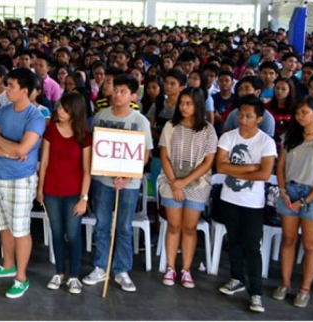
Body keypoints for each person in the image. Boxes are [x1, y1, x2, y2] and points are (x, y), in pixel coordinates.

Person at [82, 74, 152, 293]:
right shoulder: (101, 116)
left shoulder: (140, 121)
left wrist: (128, 176)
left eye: (123, 91)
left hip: (128, 185)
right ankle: (100, 266)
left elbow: (145, 153)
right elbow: (94, 146)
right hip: (103, 181)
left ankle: (121, 270)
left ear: (133, 96)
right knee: (102, 224)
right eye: (115, 90)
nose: (117, 95)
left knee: (123, 226)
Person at [0, 68, 46, 299]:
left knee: (20, 229)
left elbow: (23, 149)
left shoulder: (35, 117)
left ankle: (21, 276)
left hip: (21, 180)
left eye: (11, 86)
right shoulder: (3, 111)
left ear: (25, 91)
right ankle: (7, 264)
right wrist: (7, 152)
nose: (6, 89)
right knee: (4, 225)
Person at [274, 96, 313, 308]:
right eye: (298, 113)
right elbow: (280, 166)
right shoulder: (289, 137)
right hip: (289, 191)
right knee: (289, 239)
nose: (300, 116)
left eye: (305, 112)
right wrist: (282, 190)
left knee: (310, 244)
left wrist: (305, 200)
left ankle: (304, 289)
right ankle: (285, 283)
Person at [216, 96, 277, 313]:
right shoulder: (228, 137)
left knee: (253, 246)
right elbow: (220, 167)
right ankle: (236, 278)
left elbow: (265, 173)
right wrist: (252, 167)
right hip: (229, 198)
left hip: (253, 203)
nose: (243, 119)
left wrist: (237, 168)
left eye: (249, 116)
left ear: (259, 119)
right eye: (240, 114)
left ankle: (256, 292)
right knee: (234, 241)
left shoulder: (266, 142)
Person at [158, 87, 217, 289]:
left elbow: (208, 162)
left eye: (189, 103)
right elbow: (164, 156)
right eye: (182, 103)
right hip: (171, 182)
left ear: (198, 105)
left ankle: (186, 269)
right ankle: (170, 267)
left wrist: (184, 182)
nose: (183, 107)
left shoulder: (208, 129)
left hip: (197, 184)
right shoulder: (170, 126)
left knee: (190, 228)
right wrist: (175, 182)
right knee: (174, 226)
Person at [36, 92, 91, 294]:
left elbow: (87, 169)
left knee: (73, 234)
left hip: (74, 193)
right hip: (51, 190)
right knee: (57, 233)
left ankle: (74, 276)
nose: (59, 111)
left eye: (64, 108)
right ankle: (59, 272)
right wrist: (40, 189)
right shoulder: (50, 130)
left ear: (74, 112)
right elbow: (45, 162)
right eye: (59, 107)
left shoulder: (84, 135)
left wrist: (84, 198)